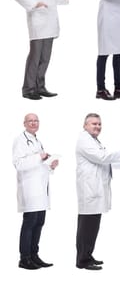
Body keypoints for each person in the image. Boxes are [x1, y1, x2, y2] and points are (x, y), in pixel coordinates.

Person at [12, 0, 77, 100]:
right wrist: (34, 4)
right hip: (38, 20)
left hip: (50, 23)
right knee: (35, 57)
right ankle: (28, 89)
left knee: (45, 57)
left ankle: (40, 87)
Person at [75, 113, 120, 270]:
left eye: (99, 124)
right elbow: (102, 158)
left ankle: (88, 255)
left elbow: (104, 161)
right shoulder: (84, 140)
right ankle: (82, 260)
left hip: (96, 189)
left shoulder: (94, 141)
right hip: (89, 190)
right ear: (85, 126)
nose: (97, 126)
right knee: (87, 227)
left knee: (93, 227)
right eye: (94, 124)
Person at [13, 113, 59, 269]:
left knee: (39, 222)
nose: (34, 123)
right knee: (30, 223)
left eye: (36, 121)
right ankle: (24, 258)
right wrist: (39, 156)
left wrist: (50, 165)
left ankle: (34, 255)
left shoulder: (37, 140)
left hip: (41, 189)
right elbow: (18, 164)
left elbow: (40, 164)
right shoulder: (20, 140)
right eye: (30, 121)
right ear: (24, 123)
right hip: (30, 189)